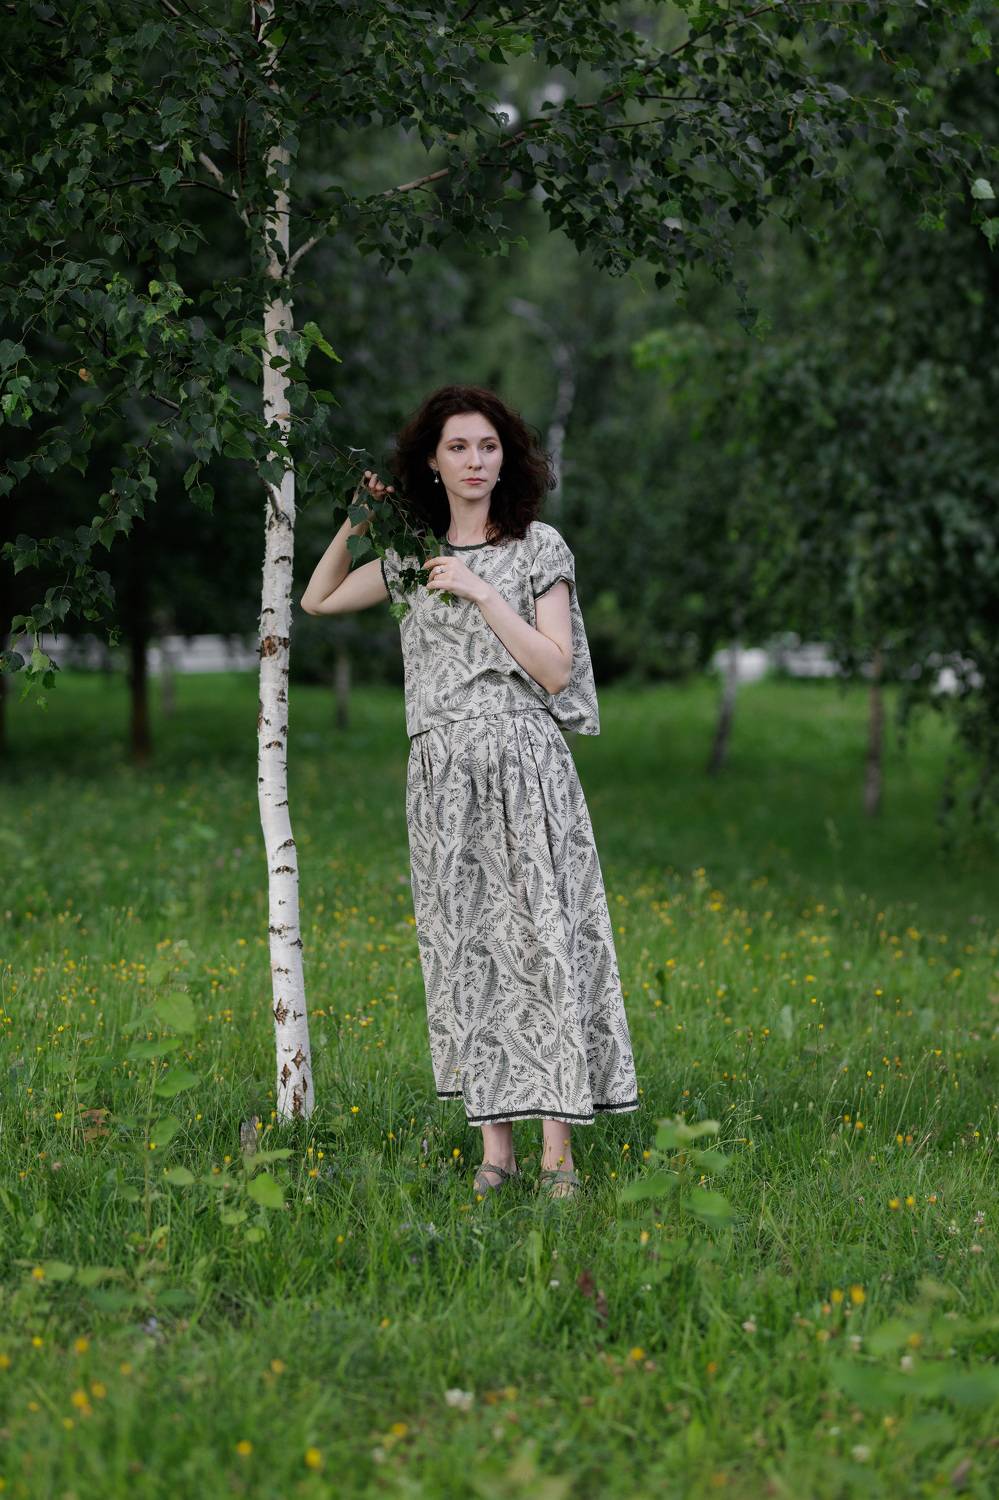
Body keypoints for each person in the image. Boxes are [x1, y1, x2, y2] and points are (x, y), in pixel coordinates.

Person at [300, 384, 639, 1201]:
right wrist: (358, 520)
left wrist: (484, 593)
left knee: (541, 943)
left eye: (487, 446)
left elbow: (554, 669)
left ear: (505, 457)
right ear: (432, 461)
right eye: (457, 447)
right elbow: (317, 599)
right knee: (468, 952)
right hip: (442, 775)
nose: (475, 461)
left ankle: (558, 1154)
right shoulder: (413, 559)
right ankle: (496, 1152)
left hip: (523, 762)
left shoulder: (537, 548)